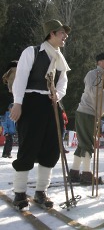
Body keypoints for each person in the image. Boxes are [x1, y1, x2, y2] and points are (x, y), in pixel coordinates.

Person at [10, 19, 71, 209]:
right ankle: (20, 192)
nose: (65, 37)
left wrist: (58, 94)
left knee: (52, 148)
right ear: (51, 33)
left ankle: (41, 191)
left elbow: (63, 83)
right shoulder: (32, 52)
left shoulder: (60, 58)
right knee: (28, 145)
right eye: (62, 33)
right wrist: (17, 103)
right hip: (32, 102)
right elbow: (20, 79)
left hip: (52, 104)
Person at [69, 52, 104, 184]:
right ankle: (87, 174)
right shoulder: (93, 74)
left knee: (83, 143)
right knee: (88, 143)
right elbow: (93, 91)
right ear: (99, 62)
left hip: (93, 113)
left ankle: (74, 171)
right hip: (87, 112)